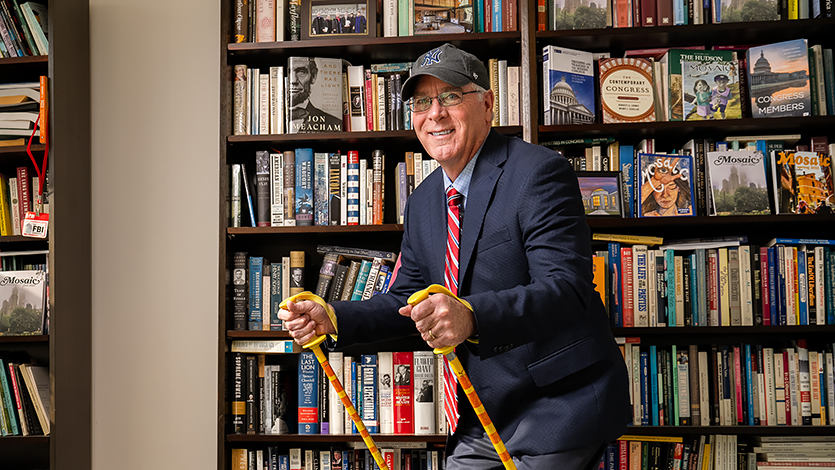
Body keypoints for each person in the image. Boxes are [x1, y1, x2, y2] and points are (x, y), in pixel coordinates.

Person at [279, 43, 630, 470]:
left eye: (450, 96)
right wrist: (335, 318)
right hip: (484, 415)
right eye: (422, 102)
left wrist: (470, 316)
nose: (435, 113)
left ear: (487, 103)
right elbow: (408, 298)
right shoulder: (425, 200)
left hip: (558, 406)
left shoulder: (539, 171)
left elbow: (566, 290)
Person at [288, 57, 343, 133]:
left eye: (301, 72)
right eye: (287, 72)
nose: (293, 80)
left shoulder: (336, 124)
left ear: (313, 76)